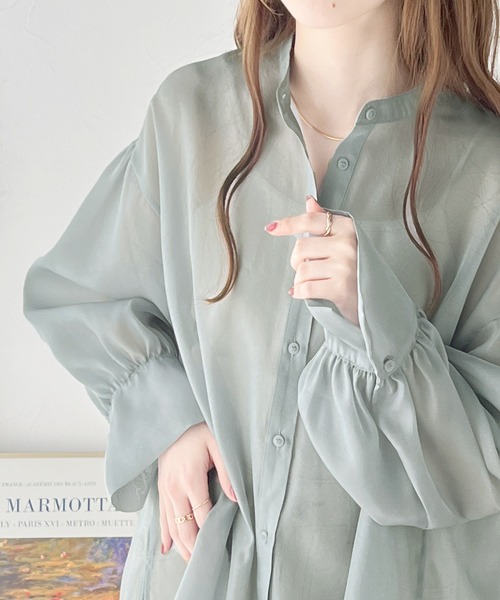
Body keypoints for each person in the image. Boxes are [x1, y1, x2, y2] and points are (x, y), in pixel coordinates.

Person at [22, 0, 500, 598]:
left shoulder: (486, 167)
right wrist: (170, 420)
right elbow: (85, 294)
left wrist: (379, 324)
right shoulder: (190, 114)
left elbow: (483, 457)